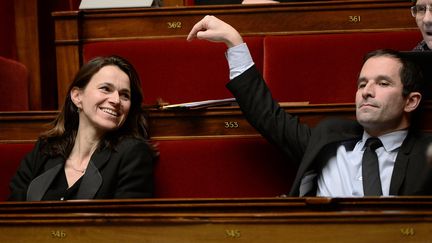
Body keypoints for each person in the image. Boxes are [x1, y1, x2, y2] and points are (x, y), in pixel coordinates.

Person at [187, 15, 432, 197]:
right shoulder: (329, 140)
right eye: (361, 84)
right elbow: (268, 117)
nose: (366, 92)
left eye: (383, 83)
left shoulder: (426, 156)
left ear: (411, 101)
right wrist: (234, 42)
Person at [8, 56, 158, 201]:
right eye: (105, 88)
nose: (116, 100)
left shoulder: (132, 154)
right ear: (77, 96)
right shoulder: (44, 149)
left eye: (125, 95)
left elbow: (126, 223)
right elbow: (13, 216)